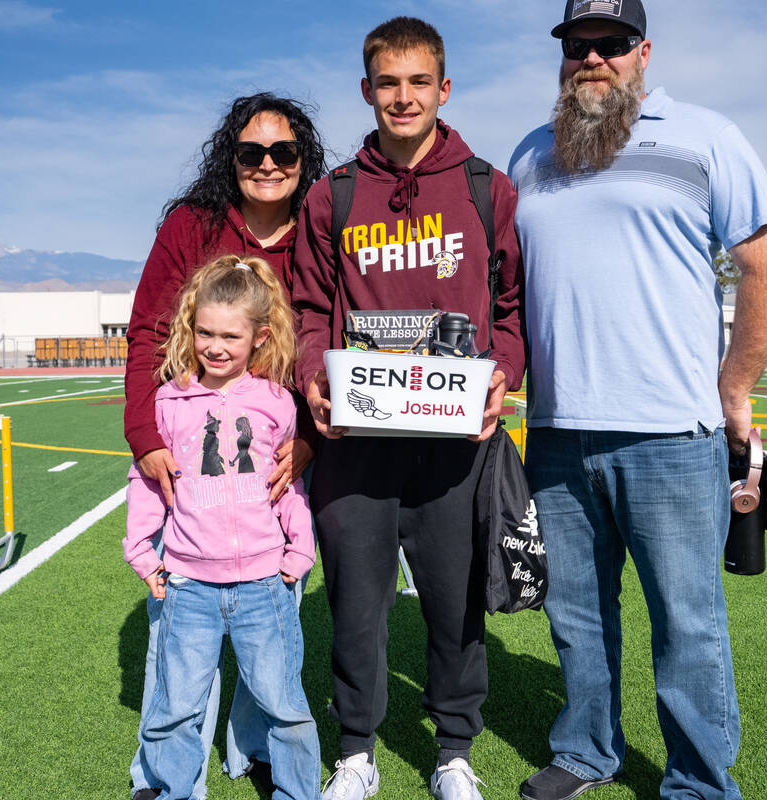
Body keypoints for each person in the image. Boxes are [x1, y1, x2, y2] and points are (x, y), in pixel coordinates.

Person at [508, 2, 767, 799]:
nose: (592, 58)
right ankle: (586, 752)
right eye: (577, 44)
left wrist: (733, 387)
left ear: (643, 52)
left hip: (671, 433)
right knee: (575, 616)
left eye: (611, 44)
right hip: (557, 430)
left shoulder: (706, 135)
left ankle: (699, 782)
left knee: (686, 623)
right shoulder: (531, 154)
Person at [290, 16, 524, 800]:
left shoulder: (488, 187)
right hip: (359, 442)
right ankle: (356, 751)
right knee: (356, 606)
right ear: (367, 91)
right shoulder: (334, 195)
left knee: (456, 606)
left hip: (456, 445)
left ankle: (453, 751)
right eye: (387, 82)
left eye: (418, 81)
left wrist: (505, 374)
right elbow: (309, 306)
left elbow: (516, 308)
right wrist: (311, 374)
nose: (403, 96)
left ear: (443, 89)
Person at [123, 93, 326, 799]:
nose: (267, 164)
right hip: (193, 464)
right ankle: (162, 778)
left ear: (304, 161)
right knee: (177, 650)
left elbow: (328, 339)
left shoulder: (321, 223)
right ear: (228, 158)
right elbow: (149, 329)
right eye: (250, 152)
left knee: (274, 650)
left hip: (279, 458)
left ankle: (258, 755)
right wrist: (146, 437)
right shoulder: (192, 225)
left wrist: (308, 443)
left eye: (283, 152)